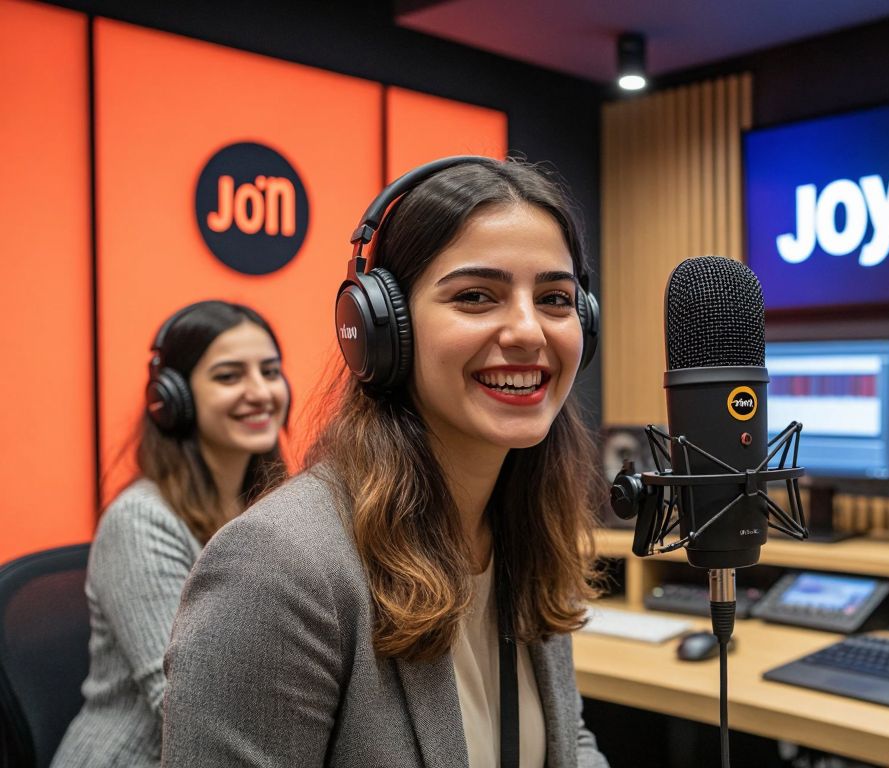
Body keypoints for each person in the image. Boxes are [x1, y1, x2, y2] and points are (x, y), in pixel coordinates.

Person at [162, 157, 609, 767]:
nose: (530, 331)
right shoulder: (281, 567)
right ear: (381, 330)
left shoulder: (526, 528)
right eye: (476, 296)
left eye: (555, 298)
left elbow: (568, 745)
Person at [52, 300, 289, 768]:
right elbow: (181, 703)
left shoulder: (272, 508)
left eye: (270, 371)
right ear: (172, 399)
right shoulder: (140, 521)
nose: (260, 391)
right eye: (229, 376)